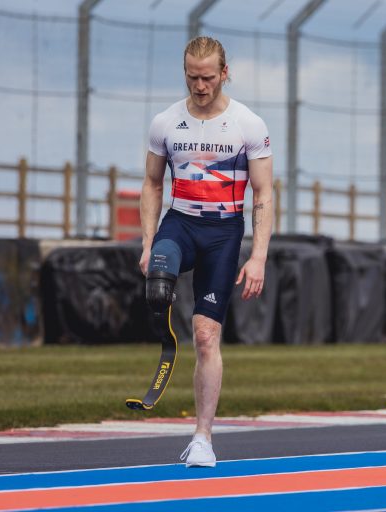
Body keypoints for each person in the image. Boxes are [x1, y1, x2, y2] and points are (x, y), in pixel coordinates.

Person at [139, 36, 273, 467]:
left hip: (223, 232)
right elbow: (153, 184)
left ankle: (202, 438)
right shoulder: (165, 122)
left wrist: (259, 256)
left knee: (205, 334)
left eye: (208, 78)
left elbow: (265, 195)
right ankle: (164, 342)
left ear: (224, 73)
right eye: (193, 77)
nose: (200, 86)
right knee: (157, 284)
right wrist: (147, 243)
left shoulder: (248, 124)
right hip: (179, 223)